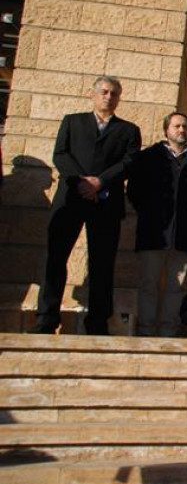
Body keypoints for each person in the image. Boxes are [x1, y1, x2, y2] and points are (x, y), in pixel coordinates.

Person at [30, 76, 141, 335]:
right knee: (55, 258)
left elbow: (129, 162)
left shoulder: (128, 130)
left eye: (113, 93)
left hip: (105, 202)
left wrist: (99, 182)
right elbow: (61, 154)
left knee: (103, 263)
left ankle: (98, 321)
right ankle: (47, 317)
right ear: (92, 94)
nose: (108, 97)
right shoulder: (72, 121)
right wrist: (81, 182)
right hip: (70, 199)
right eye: (103, 92)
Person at [126, 112, 187, 337]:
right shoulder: (149, 157)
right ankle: (146, 331)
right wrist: (150, 212)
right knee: (148, 283)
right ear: (167, 130)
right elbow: (134, 190)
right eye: (177, 126)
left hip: (183, 234)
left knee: (175, 286)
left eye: (184, 127)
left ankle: (168, 332)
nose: (181, 130)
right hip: (154, 232)